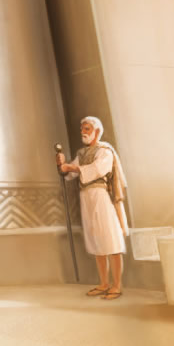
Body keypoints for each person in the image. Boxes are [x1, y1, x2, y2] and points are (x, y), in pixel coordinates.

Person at [57, 116, 128, 300]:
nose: (83, 132)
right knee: (96, 240)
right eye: (82, 129)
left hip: (102, 197)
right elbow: (70, 172)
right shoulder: (82, 153)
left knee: (110, 239)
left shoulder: (105, 151)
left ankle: (116, 285)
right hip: (86, 197)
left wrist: (70, 168)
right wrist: (62, 165)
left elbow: (97, 169)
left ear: (96, 131)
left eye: (87, 128)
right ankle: (104, 283)